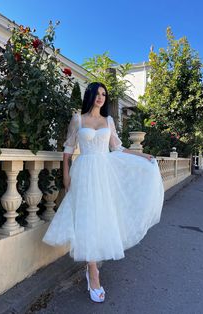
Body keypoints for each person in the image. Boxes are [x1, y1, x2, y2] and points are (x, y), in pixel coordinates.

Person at [42, 82, 164, 303]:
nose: (101, 97)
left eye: (104, 94)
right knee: (87, 219)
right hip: (84, 173)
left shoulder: (108, 121)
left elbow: (117, 148)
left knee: (101, 218)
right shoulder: (78, 119)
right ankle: (93, 271)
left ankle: (92, 266)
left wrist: (143, 156)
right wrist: (65, 176)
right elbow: (68, 151)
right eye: (97, 94)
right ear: (89, 96)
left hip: (104, 173)